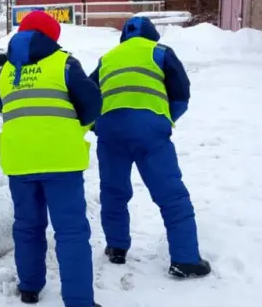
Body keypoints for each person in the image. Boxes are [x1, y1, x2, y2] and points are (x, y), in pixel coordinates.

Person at [0, 10, 104, 307]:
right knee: (70, 230)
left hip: (19, 160)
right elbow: (92, 103)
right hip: (61, 160)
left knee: (27, 226)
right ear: (52, 37)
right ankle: (80, 305)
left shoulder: (7, 70)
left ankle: (29, 287)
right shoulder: (64, 64)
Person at [90, 16, 211, 279]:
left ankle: (116, 247)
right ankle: (185, 260)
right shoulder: (161, 52)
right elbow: (181, 94)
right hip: (149, 130)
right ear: (152, 35)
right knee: (171, 194)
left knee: (113, 191)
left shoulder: (107, 58)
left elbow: (88, 96)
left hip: (110, 130)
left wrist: (97, 125)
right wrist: (164, 120)